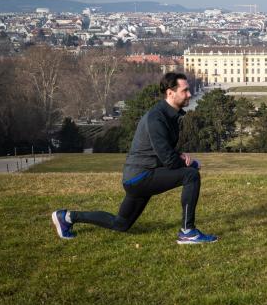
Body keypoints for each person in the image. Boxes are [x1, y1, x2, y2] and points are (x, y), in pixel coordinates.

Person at [52, 72, 218, 244]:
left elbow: (161, 150)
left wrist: (178, 155)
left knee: (121, 224)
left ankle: (67, 217)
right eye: (185, 90)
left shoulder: (168, 115)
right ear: (170, 92)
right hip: (141, 177)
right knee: (190, 175)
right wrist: (188, 162)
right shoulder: (157, 117)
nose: (189, 94)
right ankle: (188, 231)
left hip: (137, 177)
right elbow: (168, 160)